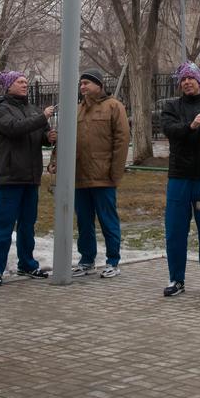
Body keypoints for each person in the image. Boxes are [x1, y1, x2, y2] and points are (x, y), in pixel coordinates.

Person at [0, 71, 55, 287]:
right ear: (8, 86)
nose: (25, 85)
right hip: (10, 177)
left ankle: (27, 263)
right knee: (2, 225)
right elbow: (15, 129)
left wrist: (48, 137)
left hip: (31, 177)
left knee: (27, 225)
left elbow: (38, 134)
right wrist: (42, 118)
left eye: (26, 82)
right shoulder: (1, 111)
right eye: (20, 82)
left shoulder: (32, 109)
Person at [71, 69, 131, 279]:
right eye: (81, 84)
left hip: (103, 176)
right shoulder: (77, 109)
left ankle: (113, 260)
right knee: (84, 221)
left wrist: (115, 172)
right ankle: (87, 260)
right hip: (80, 176)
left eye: (87, 83)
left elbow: (122, 141)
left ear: (99, 85)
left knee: (107, 219)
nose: (83, 87)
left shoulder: (114, 107)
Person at [160, 61, 200, 298]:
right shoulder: (171, 107)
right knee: (175, 232)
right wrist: (191, 127)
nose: (187, 82)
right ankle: (176, 279)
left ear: (199, 80)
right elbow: (170, 130)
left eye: (191, 78)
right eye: (183, 79)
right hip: (179, 178)